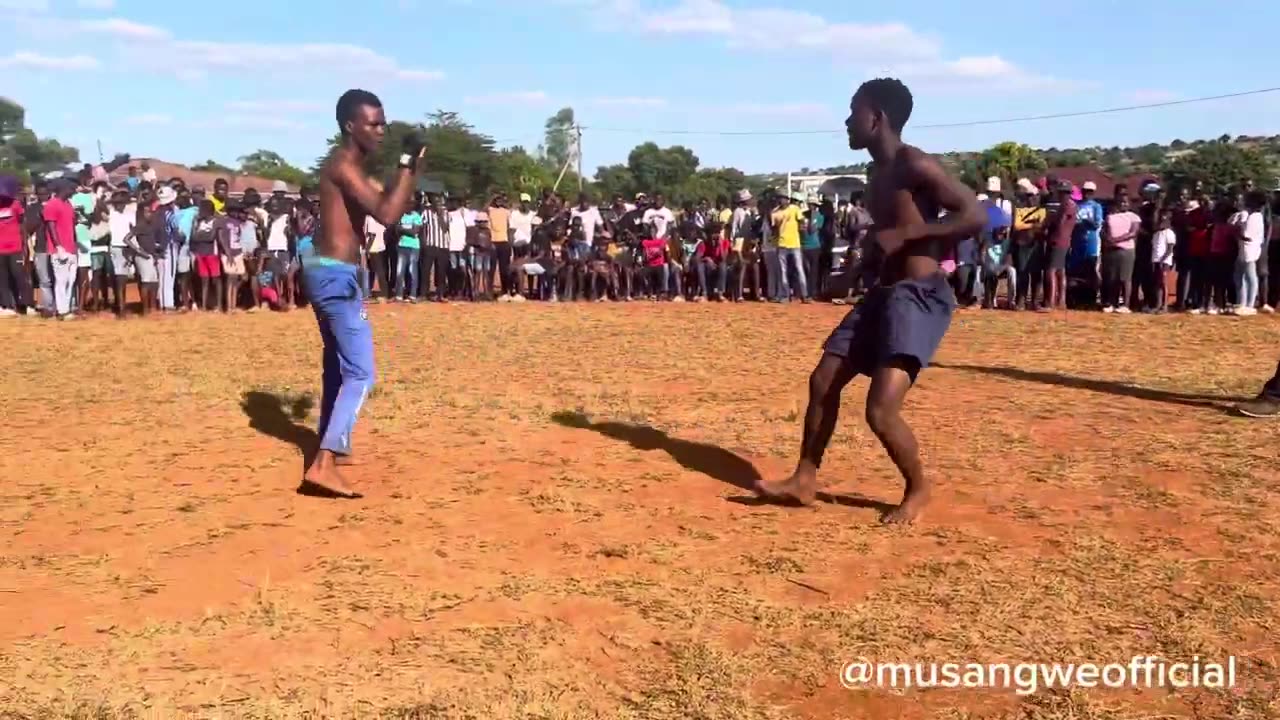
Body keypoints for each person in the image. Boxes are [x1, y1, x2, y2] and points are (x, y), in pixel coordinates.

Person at [755, 78, 984, 524]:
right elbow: (884, 242)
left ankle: (918, 488)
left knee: (879, 410)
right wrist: (853, 275)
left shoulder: (913, 163)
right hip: (881, 295)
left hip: (918, 298)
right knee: (823, 381)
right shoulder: (876, 176)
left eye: (852, 111)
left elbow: (974, 215)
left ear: (875, 117)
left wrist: (912, 233)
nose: (846, 121)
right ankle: (804, 478)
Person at [305, 88, 423, 498]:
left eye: (383, 122)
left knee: (337, 368)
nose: (381, 130)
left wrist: (407, 169)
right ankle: (324, 462)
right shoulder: (342, 164)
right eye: (373, 123)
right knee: (361, 372)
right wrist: (409, 165)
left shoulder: (347, 166)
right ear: (349, 126)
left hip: (332, 273)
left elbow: (385, 202)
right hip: (336, 276)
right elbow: (388, 215)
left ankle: (330, 445)